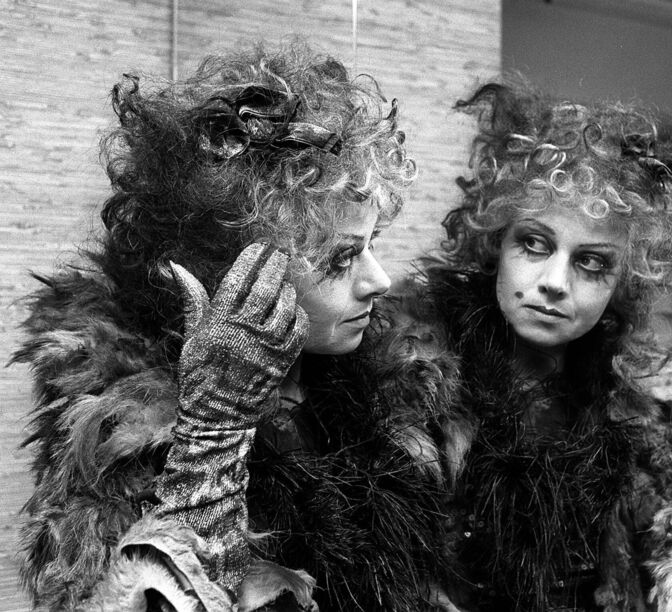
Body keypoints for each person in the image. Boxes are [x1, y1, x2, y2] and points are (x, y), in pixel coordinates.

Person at [13, 43, 448, 611]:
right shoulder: (120, 426)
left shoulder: (381, 381)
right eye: (341, 258)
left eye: (374, 246)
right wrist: (211, 434)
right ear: (238, 271)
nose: (381, 280)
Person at [380, 82, 672, 610]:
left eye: (591, 262)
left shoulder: (647, 410)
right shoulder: (406, 379)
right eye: (534, 243)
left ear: (623, 282)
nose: (555, 281)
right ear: (495, 241)